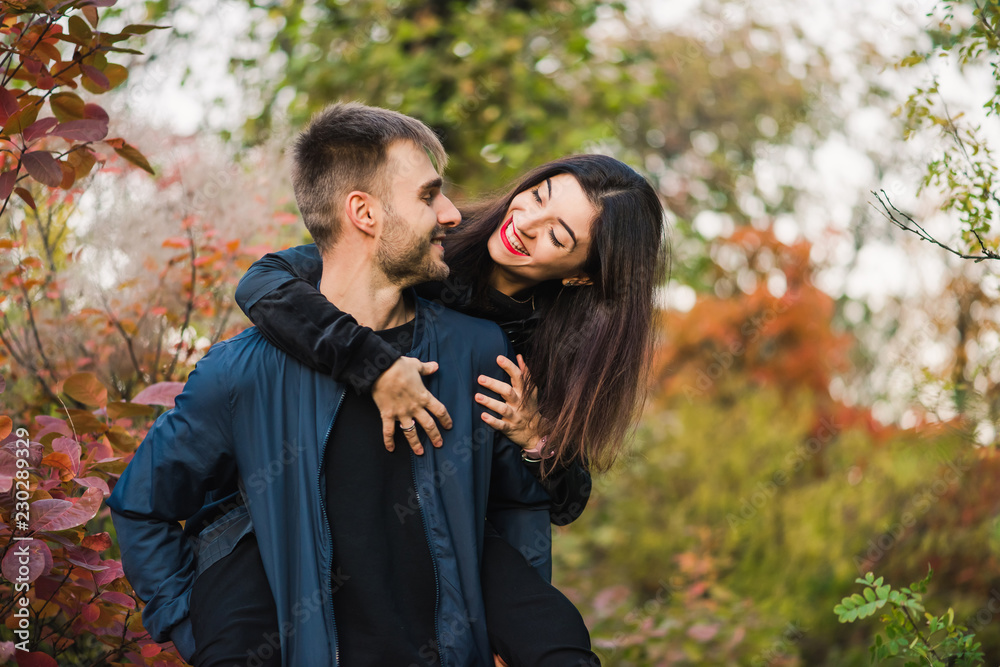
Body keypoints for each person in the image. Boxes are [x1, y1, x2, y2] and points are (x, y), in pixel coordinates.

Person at [107, 102, 594, 667]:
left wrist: (516, 633)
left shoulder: (481, 350)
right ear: (363, 212)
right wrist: (197, 629)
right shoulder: (242, 371)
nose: (454, 213)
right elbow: (143, 509)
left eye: (559, 234)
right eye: (429, 195)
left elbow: (519, 506)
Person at [235, 153, 668, 664]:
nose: (525, 224)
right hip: (337, 486)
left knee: (559, 642)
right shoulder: (425, 244)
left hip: (455, 525)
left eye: (558, 236)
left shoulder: (555, 349)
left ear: (582, 276)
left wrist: (536, 436)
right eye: (537, 197)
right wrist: (373, 365)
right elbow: (265, 282)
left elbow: (566, 498)